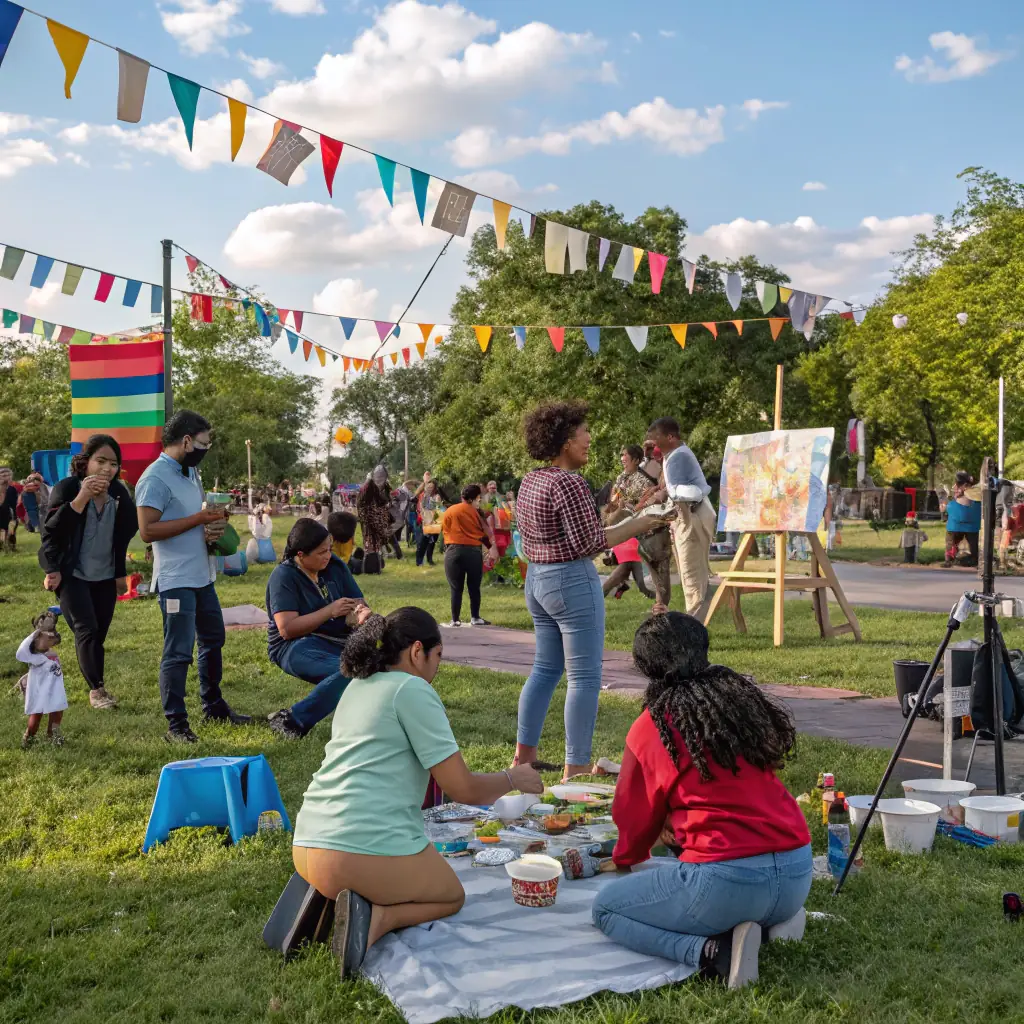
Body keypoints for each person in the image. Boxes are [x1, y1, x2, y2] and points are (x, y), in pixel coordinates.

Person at [291, 607, 544, 980]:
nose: (438, 667)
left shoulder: (358, 686)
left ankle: (333, 901)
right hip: (351, 852)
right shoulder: (412, 690)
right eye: (437, 656)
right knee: (450, 894)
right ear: (416, 651)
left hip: (307, 843)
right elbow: (462, 788)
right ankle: (376, 919)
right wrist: (513, 778)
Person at [592, 612, 812, 989]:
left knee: (606, 909)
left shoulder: (652, 725)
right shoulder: (739, 705)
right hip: (796, 873)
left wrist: (626, 856)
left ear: (646, 668)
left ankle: (711, 953)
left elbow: (632, 816)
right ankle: (773, 925)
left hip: (726, 884)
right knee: (736, 887)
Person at [514, 401, 663, 780]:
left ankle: (524, 757)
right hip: (570, 582)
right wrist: (642, 522)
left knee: (544, 669)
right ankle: (576, 768)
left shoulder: (531, 480)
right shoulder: (570, 483)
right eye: (584, 432)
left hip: (538, 581)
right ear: (566, 440)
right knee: (583, 677)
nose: (589, 439)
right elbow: (590, 543)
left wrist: (629, 520)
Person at [135, 410, 251, 743]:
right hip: (176, 580)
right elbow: (147, 531)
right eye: (203, 443)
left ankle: (213, 705)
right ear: (186, 441)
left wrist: (211, 526)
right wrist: (198, 520)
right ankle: (176, 725)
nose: (206, 449)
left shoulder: (190, 472)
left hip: (202, 574)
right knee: (178, 651)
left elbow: (189, 518)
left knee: (213, 639)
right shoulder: (154, 478)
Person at [39, 434, 139, 710]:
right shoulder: (67, 488)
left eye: (113, 464)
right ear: (85, 462)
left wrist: (120, 574)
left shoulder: (119, 494)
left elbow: (125, 534)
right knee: (87, 629)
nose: (107, 469)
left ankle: (92, 677)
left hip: (105, 575)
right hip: (72, 574)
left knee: (98, 634)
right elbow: (51, 532)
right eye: (101, 461)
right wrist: (52, 569)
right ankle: (97, 690)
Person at [265, 518, 372, 740]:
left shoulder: (334, 566)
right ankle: (292, 720)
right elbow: (287, 629)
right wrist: (330, 611)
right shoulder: (284, 576)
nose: (328, 556)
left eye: (329, 549)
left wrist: (361, 613)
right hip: (294, 645)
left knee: (382, 663)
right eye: (321, 552)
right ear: (301, 555)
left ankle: (377, 723)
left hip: (338, 639)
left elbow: (359, 601)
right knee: (351, 671)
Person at [645, 418, 716, 616]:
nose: (653, 443)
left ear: (670, 437)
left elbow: (677, 493)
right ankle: (696, 616)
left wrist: (659, 499)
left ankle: (695, 622)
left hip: (691, 515)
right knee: (689, 574)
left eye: (656, 438)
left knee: (692, 574)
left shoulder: (678, 457)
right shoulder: (673, 455)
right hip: (687, 515)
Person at [602, 445, 656, 600]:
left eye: (625, 455)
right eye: (622, 455)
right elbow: (614, 500)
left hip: (633, 526)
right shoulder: (620, 478)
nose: (622, 458)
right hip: (619, 525)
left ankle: (602, 592)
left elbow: (647, 506)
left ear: (636, 460)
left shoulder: (644, 482)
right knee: (629, 561)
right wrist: (612, 505)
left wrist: (629, 507)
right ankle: (644, 590)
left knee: (628, 561)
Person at [439, 484, 498, 628]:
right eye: (479, 498)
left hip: (453, 551)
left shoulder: (450, 510)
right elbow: (484, 534)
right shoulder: (476, 512)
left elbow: (444, 529)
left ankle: (455, 620)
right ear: (474, 498)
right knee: (474, 587)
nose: (480, 500)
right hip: (473, 552)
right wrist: (491, 549)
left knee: (456, 587)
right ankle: (475, 617)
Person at [16, 610, 68, 749]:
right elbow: (20, 653)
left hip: (55, 689)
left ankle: (53, 736)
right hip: (40, 690)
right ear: (37, 637)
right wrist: (34, 634)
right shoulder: (35, 657)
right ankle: (29, 737)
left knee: (57, 713)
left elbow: (56, 638)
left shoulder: (50, 653)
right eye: (47, 636)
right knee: (36, 714)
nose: (52, 637)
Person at [357, 466, 393, 574]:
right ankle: (371, 568)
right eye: (379, 476)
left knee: (374, 545)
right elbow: (365, 507)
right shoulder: (368, 487)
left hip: (372, 521)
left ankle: (375, 567)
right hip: (370, 522)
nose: (380, 479)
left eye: (382, 476)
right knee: (371, 545)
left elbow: (380, 503)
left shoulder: (377, 488)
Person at [944, 470, 981, 567]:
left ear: (964, 485)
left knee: (951, 541)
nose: (954, 487)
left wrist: (948, 506)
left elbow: (953, 504)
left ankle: (949, 559)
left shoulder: (963, 491)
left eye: (956, 484)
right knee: (973, 543)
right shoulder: (976, 491)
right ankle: (974, 558)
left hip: (956, 523)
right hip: (972, 524)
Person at [416, 479, 444, 567]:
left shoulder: (437, 497)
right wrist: (424, 519)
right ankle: (419, 561)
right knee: (423, 542)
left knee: (432, 542)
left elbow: (439, 510)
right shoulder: (424, 496)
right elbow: (422, 509)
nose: (430, 488)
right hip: (426, 521)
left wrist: (434, 521)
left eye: (432, 487)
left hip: (434, 522)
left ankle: (430, 559)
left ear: (435, 488)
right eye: (428, 487)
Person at [0, 466, 19, 549]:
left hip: (8, 515)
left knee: (12, 526)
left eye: (8, 475)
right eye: (3, 475)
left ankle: (11, 545)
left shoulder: (12, 490)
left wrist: (14, 519)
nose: (6, 477)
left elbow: (14, 506)